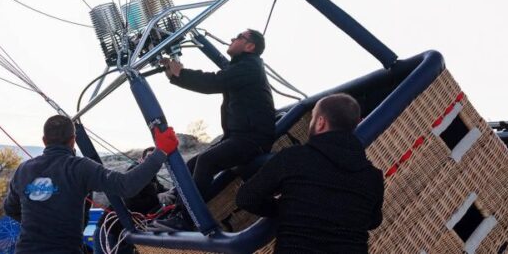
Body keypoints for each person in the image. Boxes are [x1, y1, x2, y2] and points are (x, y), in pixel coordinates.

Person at [4, 115, 179, 254]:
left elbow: (10, 208)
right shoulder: (79, 167)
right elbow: (126, 186)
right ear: (73, 140)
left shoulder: (23, 170)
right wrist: (161, 151)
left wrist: (40, 223)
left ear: (44, 140)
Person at [155, 29, 275, 230]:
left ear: (250, 46)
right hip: (239, 137)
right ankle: (175, 205)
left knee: (206, 161)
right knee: (192, 163)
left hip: (253, 139)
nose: (232, 38)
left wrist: (181, 73)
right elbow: (216, 79)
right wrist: (175, 74)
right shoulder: (240, 67)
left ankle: (187, 219)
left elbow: (214, 82)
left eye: (238, 37)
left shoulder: (250, 67)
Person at [236, 93, 384, 253]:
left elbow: (246, 197)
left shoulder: (293, 157)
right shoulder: (373, 177)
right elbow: (374, 221)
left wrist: (284, 208)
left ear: (320, 122)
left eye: (313, 117)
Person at [92, 147, 168, 254]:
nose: (152, 161)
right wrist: (158, 198)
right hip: (110, 232)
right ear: (141, 160)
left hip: (125, 234)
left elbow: (161, 190)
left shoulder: (152, 178)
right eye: (149, 158)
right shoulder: (134, 176)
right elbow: (131, 202)